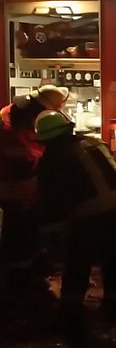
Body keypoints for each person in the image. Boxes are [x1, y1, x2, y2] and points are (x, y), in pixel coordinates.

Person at [34, 110, 116, 339]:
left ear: (45, 138)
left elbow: (50, 198)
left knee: (78, 262)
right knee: (115, 259)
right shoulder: (93, 142)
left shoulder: (53, 157)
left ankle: (71, 317)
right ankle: (115, 311)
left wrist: (49, 231)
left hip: (91, 210)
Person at [0, 85, 69, 289]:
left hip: (9, 182)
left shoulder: (13, 109)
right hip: (20, 183)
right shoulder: (36, 118)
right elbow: (36, 150)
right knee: (21, 229)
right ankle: (20, 276)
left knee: (20, 226)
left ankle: (28, 268)